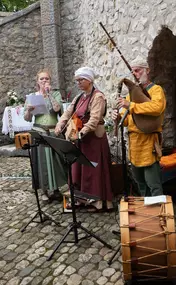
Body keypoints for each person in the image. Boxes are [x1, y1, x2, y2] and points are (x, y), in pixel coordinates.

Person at [54, 66, 113, 212]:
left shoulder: (97, 96)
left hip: (94, 139)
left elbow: (94, 119)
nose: (78, 83)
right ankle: (82, 199)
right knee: (79, 169)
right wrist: (60, 124)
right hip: (81, 139)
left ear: (89, 80)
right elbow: (68, 112)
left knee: (93, 171)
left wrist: (82, 132)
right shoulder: (80, 97)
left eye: (81, 80)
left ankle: (97, 202)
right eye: (77, 80)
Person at [112, 59, 166, 197]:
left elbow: (156, 108)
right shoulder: (132, 94)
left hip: (148, 142)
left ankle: (158, 215)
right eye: (133, 71)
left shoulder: (156, 90)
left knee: (153, 183)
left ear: (147, 70)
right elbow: (127, 119)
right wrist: (118, 116)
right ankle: (147, 213)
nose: (135, 74)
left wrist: (130, 105)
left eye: (138, 70)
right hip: (134, 144)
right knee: (140, 183)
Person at [24, 69, 67, 203]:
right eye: (41, 79)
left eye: (46, 79)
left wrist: (49, 94)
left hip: (53, 131)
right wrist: (29, 111)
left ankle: (55, 190)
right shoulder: (32, 96)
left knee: (55, 161)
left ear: (50, 80)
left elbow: (57, 109)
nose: (44, 81)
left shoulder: (55, 94)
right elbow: (26, 118)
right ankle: (43, 190)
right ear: (37, 81)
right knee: (41, 162)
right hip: (39, 131)